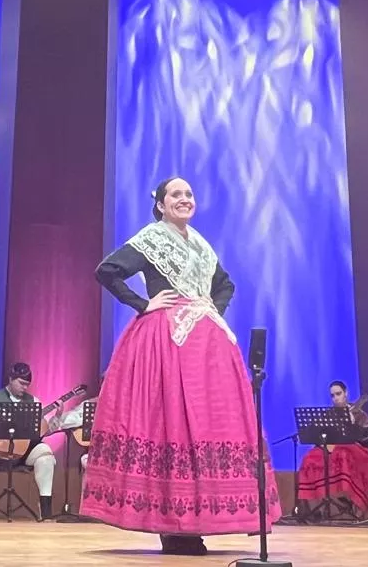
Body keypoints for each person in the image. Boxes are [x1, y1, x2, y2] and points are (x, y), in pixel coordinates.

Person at [86, 177, 280, 557]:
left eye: (189, 194)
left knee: (207, 426)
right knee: (169, 423)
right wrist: (143, 304)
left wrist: (209, 309)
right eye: (176, 194)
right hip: (166, 341)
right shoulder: (152, 239)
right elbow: (106, 271)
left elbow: (226, 285)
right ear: (160, 204)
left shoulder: (202, 246)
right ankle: (173, 525)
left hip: (207, 346)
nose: (184, 199)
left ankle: (197, 518)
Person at [0, 361, 59, 520]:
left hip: (24, 452)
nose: (24, 388)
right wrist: (5, 415)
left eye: (27, 384)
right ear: (11, 379)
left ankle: (45, 506)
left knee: (46, 454)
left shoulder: (33, 401)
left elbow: (44, 431)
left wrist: (56, 418)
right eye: (21, 383)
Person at [295, 381, 368, 517]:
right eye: (333, 395)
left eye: (338, 394)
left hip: (352, 448)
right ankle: (312, 507)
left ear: (346, 393)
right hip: (331, 448)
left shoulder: (360, 414)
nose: (336, 398)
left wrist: (352, 423)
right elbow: (319, 436)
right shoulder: (328, 415)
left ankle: (350, 500)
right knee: (309, 458)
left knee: (343, 455)